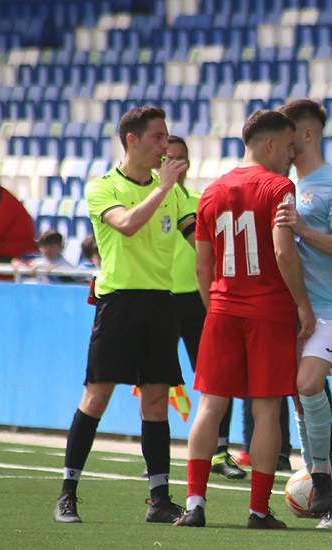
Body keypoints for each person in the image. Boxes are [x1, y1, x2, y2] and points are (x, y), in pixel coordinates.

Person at [173, 110, 315, 530]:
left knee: (211, 405)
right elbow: (284, 252)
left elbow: (203, 265)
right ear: (269, 144)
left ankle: (194, 503)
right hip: (269, 310)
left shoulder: (212, 192)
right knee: (267, 409)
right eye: (289, 146)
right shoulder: (279, 187)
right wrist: (303, 305)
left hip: (222, 307)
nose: (292, 155)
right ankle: (257, 510)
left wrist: (215, 303)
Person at [53, 106, 194, 524]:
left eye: (166, 138)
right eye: (157, 137)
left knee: (157, 400)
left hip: (161, 302)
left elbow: (198, 236)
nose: (164, 146)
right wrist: (164, 186)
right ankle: (67, 494)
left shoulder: (175, 191)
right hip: (119, 305)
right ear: (131, 140)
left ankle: (159, 499)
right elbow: (128, 224)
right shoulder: (102, 188)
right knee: (97, 396)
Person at [271, 99, 332, 528]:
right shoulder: (285, 183)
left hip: (328, 307)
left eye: (287, 134)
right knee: (300, 395)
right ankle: (322, 487)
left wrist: (303, 229)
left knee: (310, 384)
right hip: (292, 308)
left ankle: (325, 487)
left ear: (305, 135)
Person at [164, 135, 247, 481]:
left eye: (182, 159)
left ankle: (219, 452)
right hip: (161, 299)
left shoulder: (200, 203)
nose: (177, 166)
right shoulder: (151, 203)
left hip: (199, 301)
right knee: (158, 382)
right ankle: (156, 454)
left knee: (218, 378)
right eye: (170, 159)